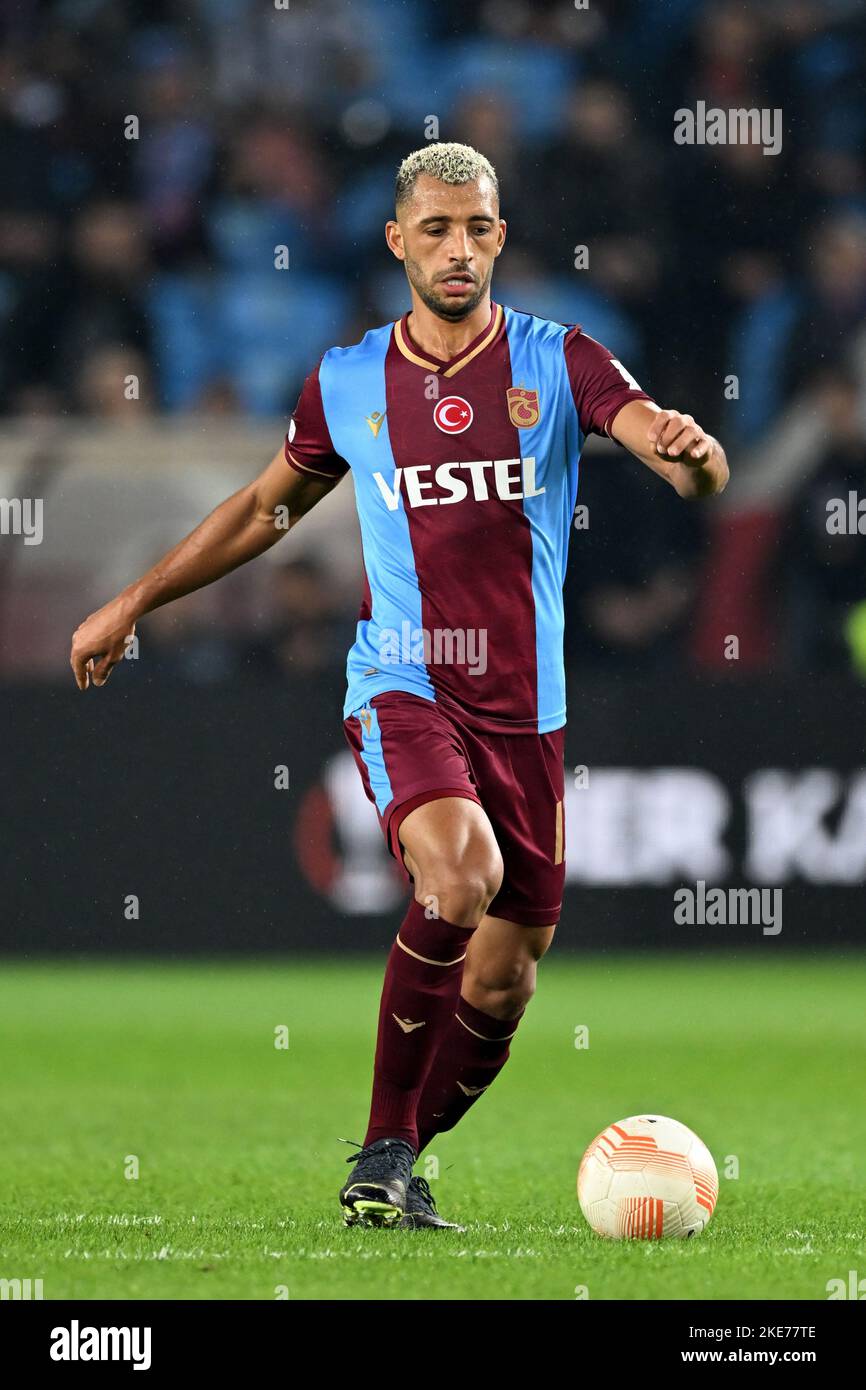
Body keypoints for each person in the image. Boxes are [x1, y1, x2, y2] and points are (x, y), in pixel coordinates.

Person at [70, 142, 728, 1231]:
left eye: (475, 228)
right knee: (457, 877)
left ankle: (398, 1160)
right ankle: (380, 1148)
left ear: (499, 237)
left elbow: (678, 459)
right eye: (435, 230)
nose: (457, 248)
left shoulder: (559, 362)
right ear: (397, 241)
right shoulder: (346, 379)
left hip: (529, 713)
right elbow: (261, 511)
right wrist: (136, 599)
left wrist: (687, 452)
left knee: (505, 981)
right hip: (404, 681)